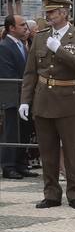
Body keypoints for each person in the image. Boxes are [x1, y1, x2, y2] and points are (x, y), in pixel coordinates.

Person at [20, 0, 75, 209]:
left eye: (52, 12)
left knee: (71, 150)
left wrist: (59, 50)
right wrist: (25, 100)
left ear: (64, 13)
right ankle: (51, 193)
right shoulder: (41, 37)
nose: (48, 16)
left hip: (68, 98)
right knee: (47, 151)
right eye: (47, 12)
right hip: (43, 98)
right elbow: (31, 72)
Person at [0, 13, 31, 179]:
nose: (26, 27)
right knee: (11, 131)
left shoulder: (21, 44)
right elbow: (8, 73)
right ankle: (8, 166)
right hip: (12, 95)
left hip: (24, 96)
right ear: (11, 28)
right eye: (22, 25)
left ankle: (20, 163)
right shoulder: (4, 46)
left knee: (24, 131)